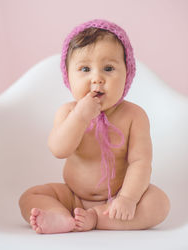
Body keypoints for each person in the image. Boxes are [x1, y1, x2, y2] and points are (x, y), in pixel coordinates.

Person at [19, 19, 170, 234]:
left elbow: (140, 162)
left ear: (127, 74)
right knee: (30, 196)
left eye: (108, 68)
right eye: (85, 69)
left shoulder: (134, 116)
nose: (97, 78)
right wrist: (80, 117)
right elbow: (58, 149)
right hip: (73, 197)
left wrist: (128, 199)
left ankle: (97, 218)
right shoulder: (69, 112)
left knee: (159, 203)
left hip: (116, 199)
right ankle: (61, 217)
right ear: (68, 77)